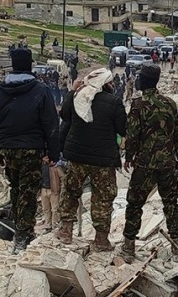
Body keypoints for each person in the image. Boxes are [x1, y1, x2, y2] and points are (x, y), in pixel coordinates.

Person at [0, 48, 60, 253]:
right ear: (29, 65)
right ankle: (22, 236)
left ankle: (21, 230)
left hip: (8, 149)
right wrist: (53, 153)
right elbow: (51, 124)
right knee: (28, 193)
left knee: (17, 189)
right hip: (32, 149)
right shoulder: (41, 90)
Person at [120, 65, 178, 263]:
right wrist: (168, 149)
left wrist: (129, 156)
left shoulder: (138, 105)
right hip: (166, 162)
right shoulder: (169, 103)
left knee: (134, 203)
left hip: (144, 164)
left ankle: (129, 246)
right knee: (171, 203)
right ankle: (177, 245)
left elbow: (132, 135)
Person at [57, 68, 126, 252]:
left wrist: (73, 91)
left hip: (77, 157)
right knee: (103, 197)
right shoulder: (115, 102)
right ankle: (101, 241)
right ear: (106, 84)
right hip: (103, 160)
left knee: (70, 191)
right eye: (110, 82)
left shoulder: (77, 97)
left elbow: (64, 116)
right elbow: (122, 129)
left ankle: (65, 232)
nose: (113, 85)